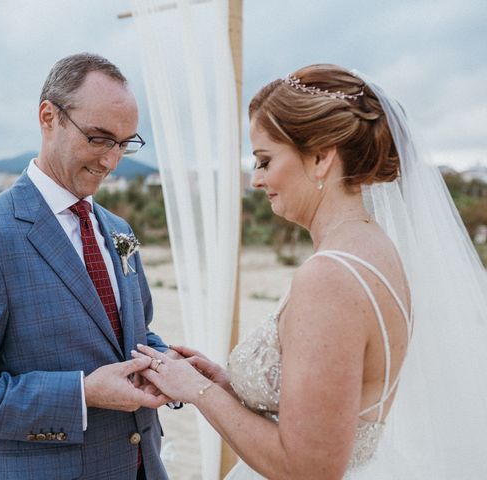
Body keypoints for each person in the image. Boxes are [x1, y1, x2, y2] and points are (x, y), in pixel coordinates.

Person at [132, 64, 487, 479]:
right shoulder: (375, 250)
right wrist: (229, 386)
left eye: (264, 161)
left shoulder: (330, 278)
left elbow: (309, 468)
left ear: (320, 158)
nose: (255, 180)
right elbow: (330, 408)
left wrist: (198, 390)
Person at [0, 53, 175, 480]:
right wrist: (82, 395)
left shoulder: (119, 228)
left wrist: (166, 364)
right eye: (98, 138)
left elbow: (133, 333)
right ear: (48, 116)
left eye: (124, 144)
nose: (111, 161)